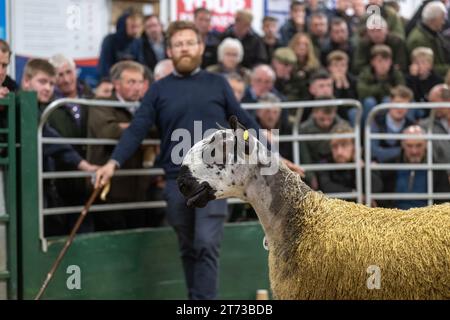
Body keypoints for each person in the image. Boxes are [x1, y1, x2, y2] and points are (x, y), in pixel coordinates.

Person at [94, 21, 260, 300]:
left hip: (215, 181)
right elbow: (137, 129)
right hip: (176, 182)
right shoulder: (158, 90)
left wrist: (274, 157)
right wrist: (113, 163)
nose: (184, 48)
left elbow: (245, 123)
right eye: (178, 44)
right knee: (188, 247)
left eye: (189, 42)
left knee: (206, 243)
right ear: (169, 50)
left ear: (200, 47)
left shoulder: (217, 83)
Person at [21, 58, 97, 235]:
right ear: (26, 81)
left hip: (45, 187)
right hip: (27, 189)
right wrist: (85, 166)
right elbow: (56, 144)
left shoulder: (38, 109)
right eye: (42, 82)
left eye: (51, 83)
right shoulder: (27, 108)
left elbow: (56, 142)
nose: (48, 88)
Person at [88, 61, 154, 231]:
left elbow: (157, 129)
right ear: (116, 84)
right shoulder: (101, 103)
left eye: (140, 82)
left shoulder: (146, 106)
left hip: (138, 186)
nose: (137, 87)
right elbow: (107, 131)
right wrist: (140, 126)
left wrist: (125, 126)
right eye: (131, 82)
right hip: (110, 188)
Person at [370, 85, 415, 163]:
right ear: (390, 101)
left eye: (405, 105)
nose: (400, 108)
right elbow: (373, 152)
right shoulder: (376, 120)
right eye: (398, 103)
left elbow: (411, 154)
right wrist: (401, 151)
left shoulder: (411, 126)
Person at [406, 1, 450, 77]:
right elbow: (425, 68)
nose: (443, 22)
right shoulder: (418, 40)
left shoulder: (433, 33)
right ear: (433, 19)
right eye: (442, 18)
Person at [97, 11, 143, 78]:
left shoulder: (138, 42)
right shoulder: (110, 40)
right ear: (123, 27)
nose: (136, 31)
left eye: (138, 27)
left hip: (132, 79)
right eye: (132, 27)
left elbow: (141, 65)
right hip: (113, 79)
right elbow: (104, 66)